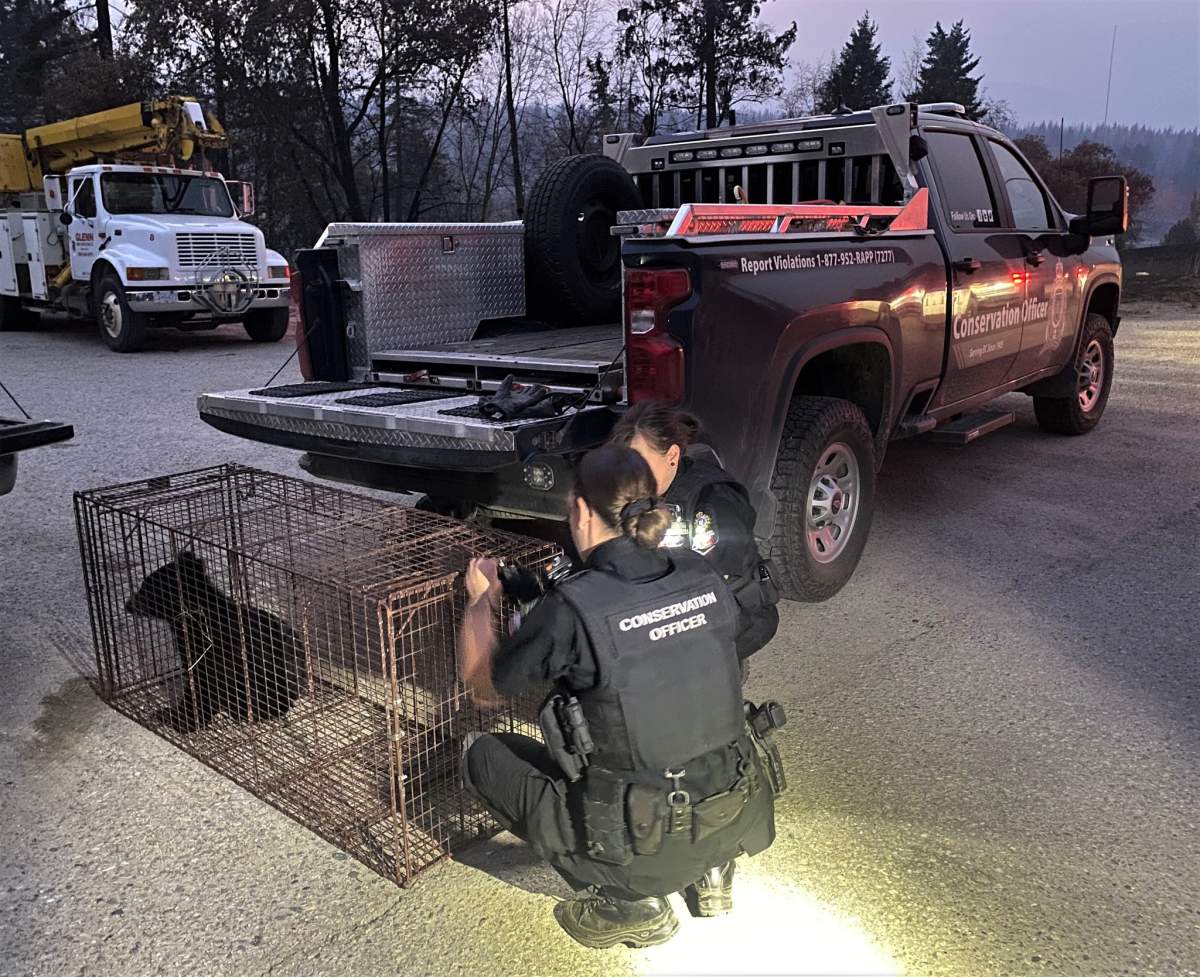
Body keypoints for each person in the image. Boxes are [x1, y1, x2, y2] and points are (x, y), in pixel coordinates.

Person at [458, 445, 775, 949]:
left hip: (641, 836)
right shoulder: (701, 573)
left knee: (482, 752)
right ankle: (713, 873)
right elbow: (654, 633)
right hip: (734, 808)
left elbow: (484, 687)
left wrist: (482, 601)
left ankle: (632, 903)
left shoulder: (573, 611)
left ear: (581, 511)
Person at [609, 401, 780, 662]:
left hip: (729, 609)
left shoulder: (713, 499)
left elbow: (714, 586)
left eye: (641, 462)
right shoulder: (634, 495)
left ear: (673, 456)